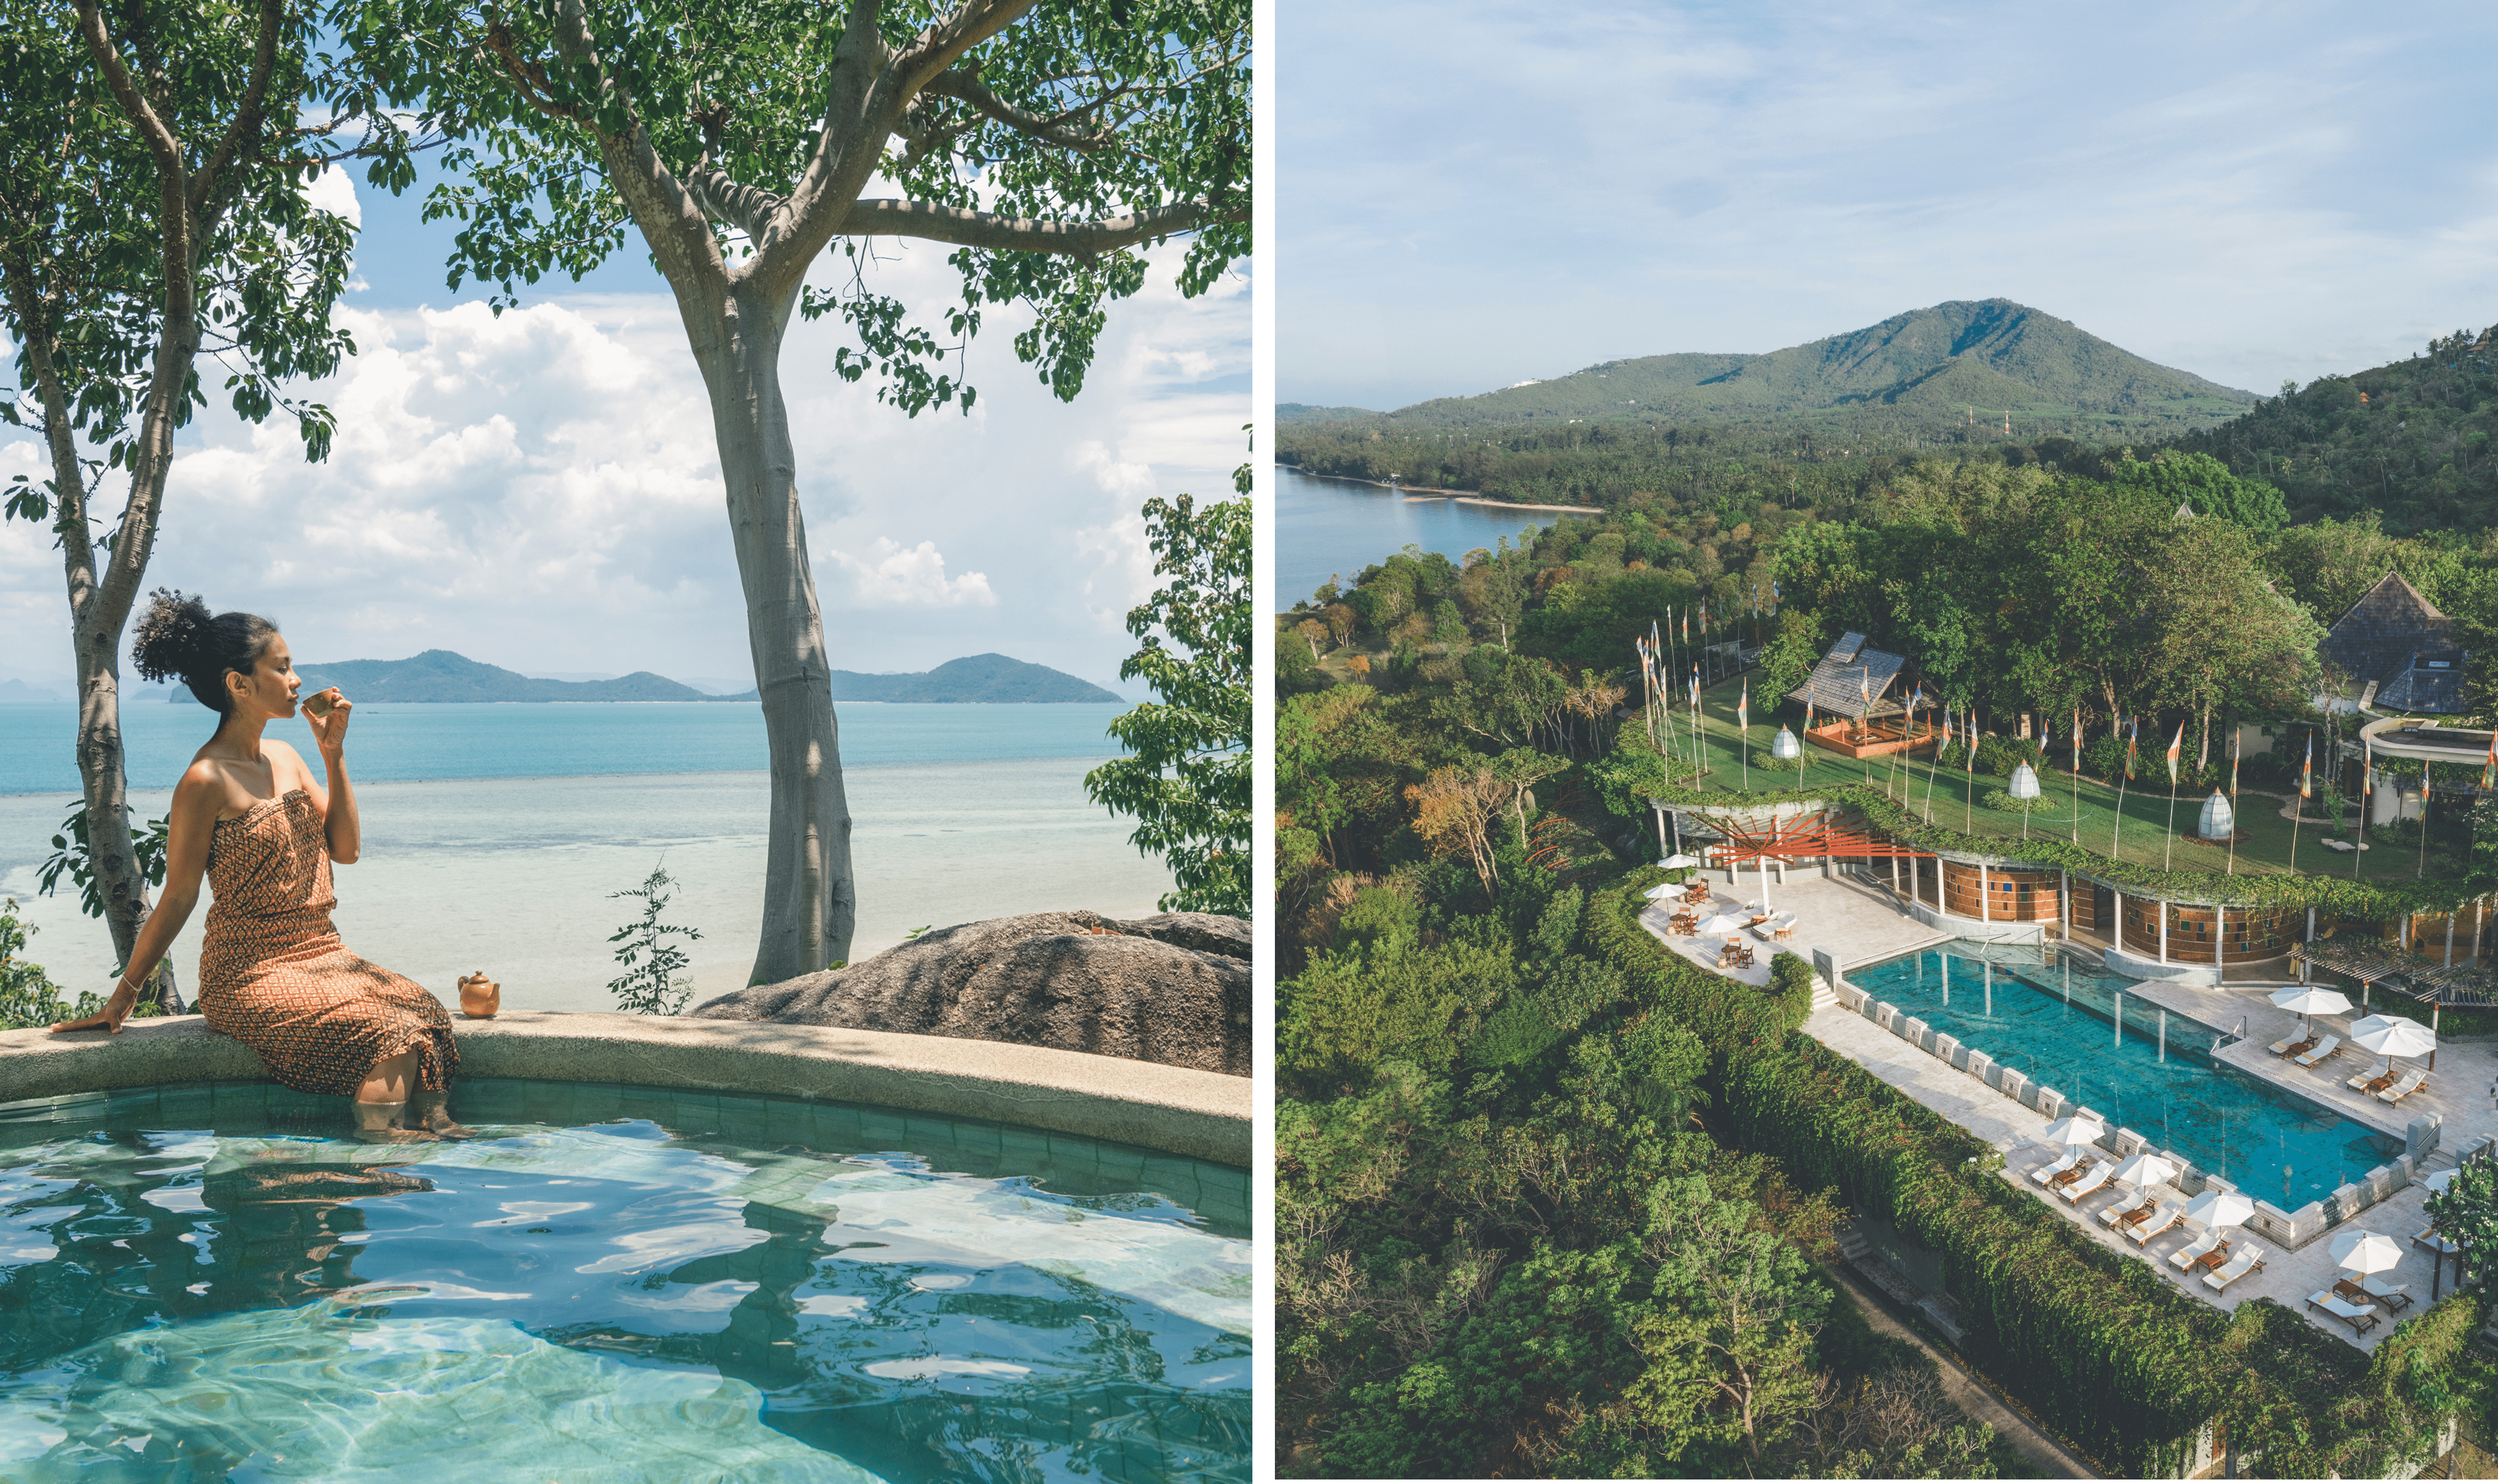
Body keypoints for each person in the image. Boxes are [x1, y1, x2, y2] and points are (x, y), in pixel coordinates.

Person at [50, 590, 468, 1141]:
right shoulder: (204, 780)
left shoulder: (288, 757)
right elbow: (178, 895)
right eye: (282, 667)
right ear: (239, 684)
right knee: (387, 1032)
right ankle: (379, 1148)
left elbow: (346, 850)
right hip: (248, 971)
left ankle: (437, 1130)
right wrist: (124, 995)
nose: (297, 679)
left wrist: (333, 754)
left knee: (427, 1012)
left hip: (324, 952)